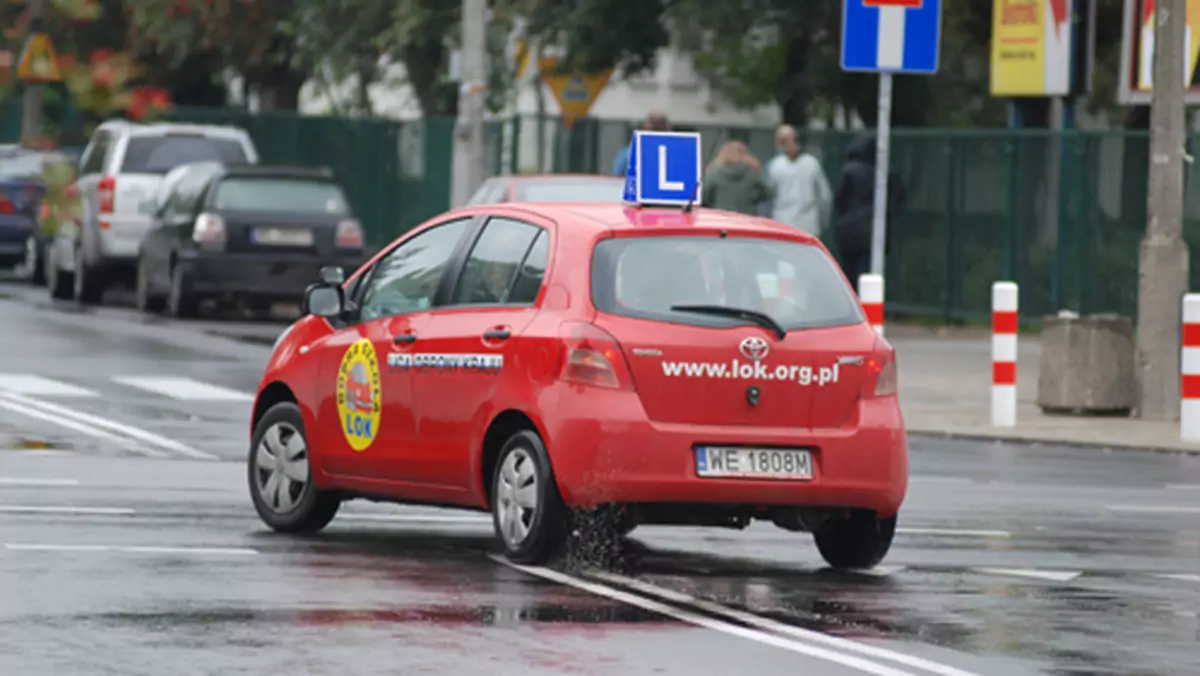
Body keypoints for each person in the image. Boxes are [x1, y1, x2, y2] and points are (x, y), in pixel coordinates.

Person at [832, 134, 905, 283]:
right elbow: (899, 196)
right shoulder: (885, 173)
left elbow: (839, 199)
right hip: (874, 231)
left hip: (848, 231)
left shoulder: (848, 171)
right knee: (869, 274)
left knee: (849, 273)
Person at [765, 124, 831, 238]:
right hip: (805, 226)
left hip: (784, 225)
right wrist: (823, 223)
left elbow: (767, 198)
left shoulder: (775, 166)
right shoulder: (811, 163)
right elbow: (825, 197)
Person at [700, 141, 771, 216]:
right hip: (747, 218)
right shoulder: (753, 174)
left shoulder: (714, 173)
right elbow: (766, 194)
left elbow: (704, 196)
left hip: (721, 217)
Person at [612, 111, 671, 176]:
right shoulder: (628, 153)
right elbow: (616, 178)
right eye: (654, 129)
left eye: (659, 129)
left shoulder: (628, 153)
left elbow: (616, 177)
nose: (656, 133)